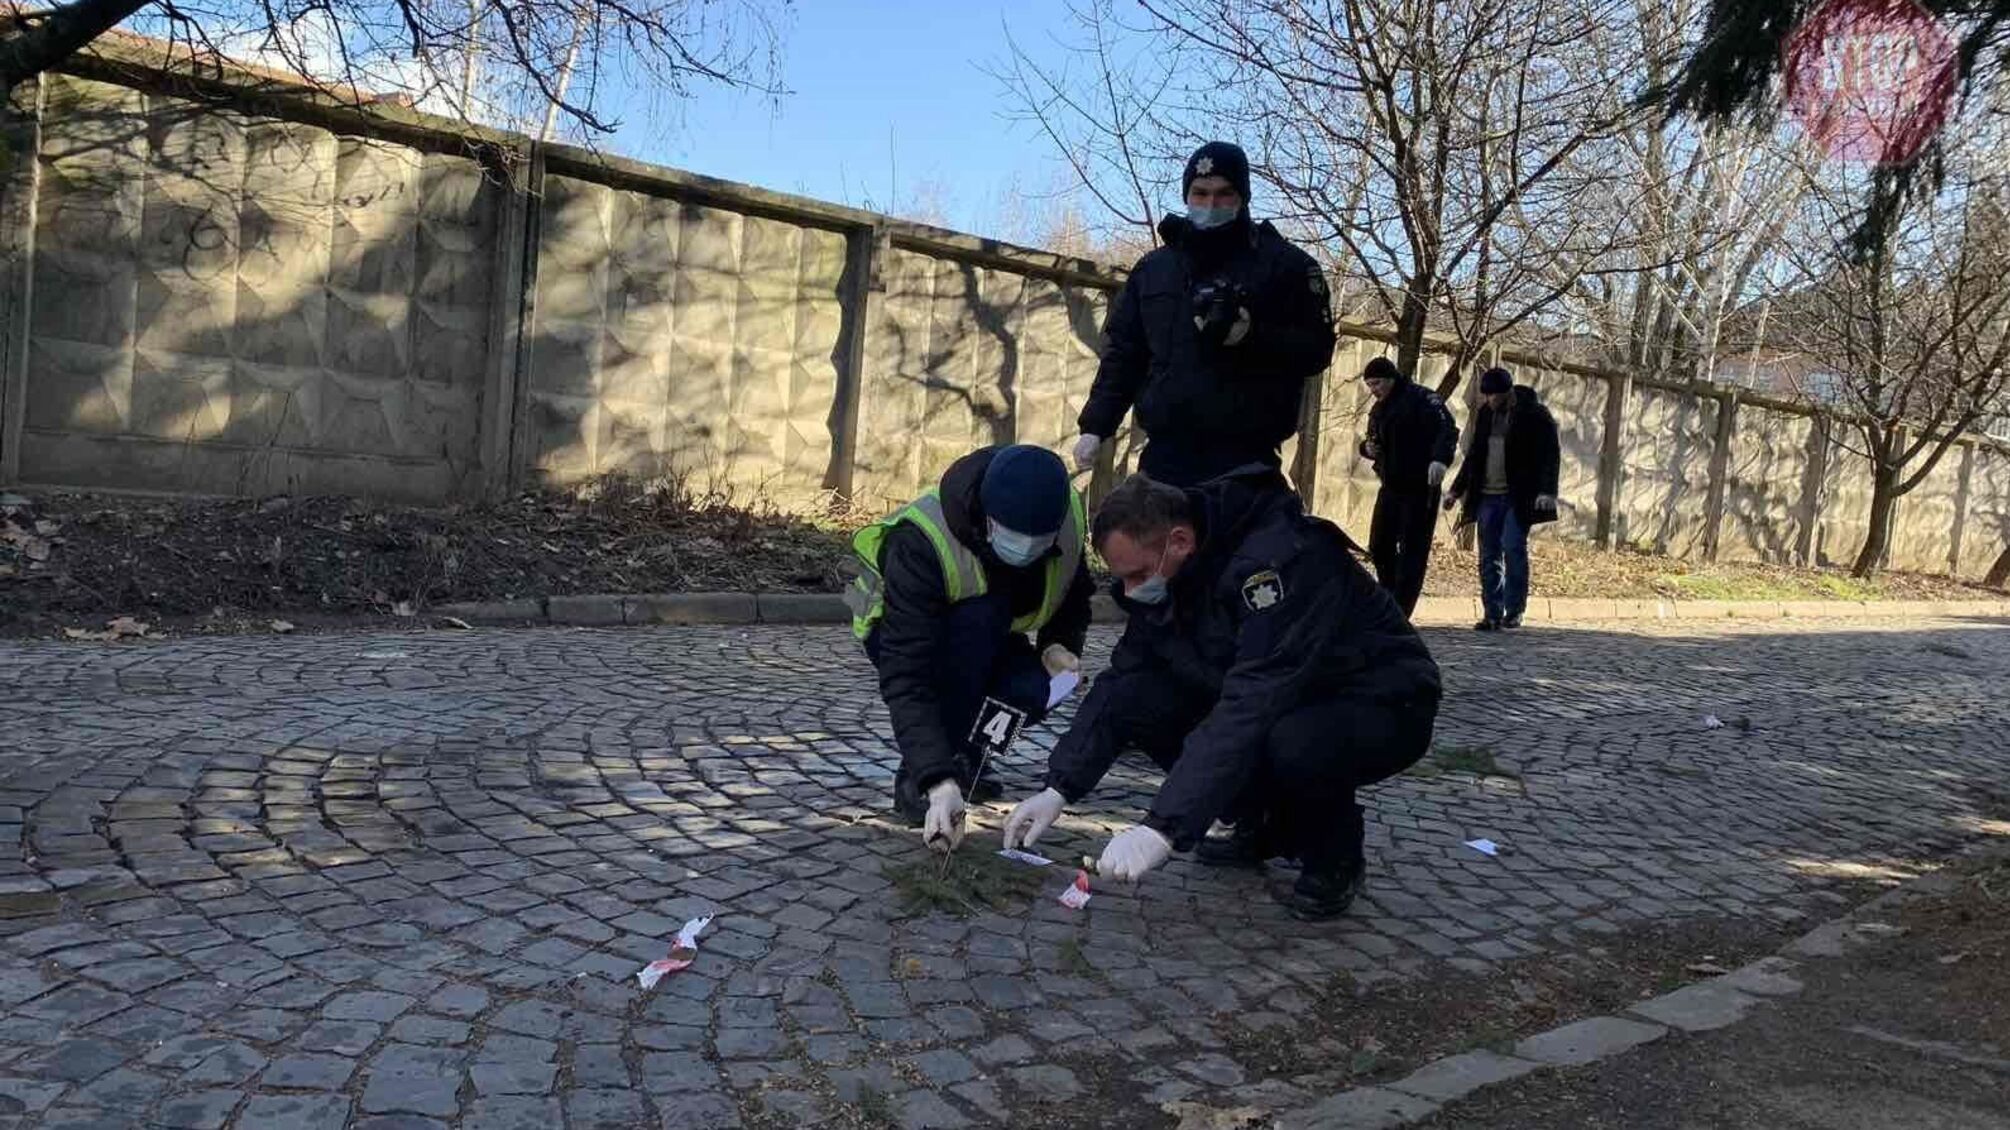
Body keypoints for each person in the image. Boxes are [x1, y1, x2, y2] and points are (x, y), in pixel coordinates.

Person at [1000, 469, 1442, 920]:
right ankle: (1262, 824)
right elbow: (1123, 679)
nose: (1130, 592)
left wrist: (1162, 827)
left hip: (1382, 699)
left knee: (1294, 743)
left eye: (1136, 575)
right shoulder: (1174, 574)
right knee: (1140, 696)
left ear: (1180, 542)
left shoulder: (1279, 565)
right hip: (1286, 695)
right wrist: (1058, 787)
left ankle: (1334, 856)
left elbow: (1251, 703)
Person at [844, 445, 1095, 850]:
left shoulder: (1063, 520)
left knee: (1035, 690)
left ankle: (973, 753)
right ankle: (924, 773)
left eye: (1039, 542)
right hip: (901, 633)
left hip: (991, 637)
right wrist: (935, 778)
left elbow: (1073, 597)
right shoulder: (923, 540)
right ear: (987, 516)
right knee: (981, 621)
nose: (1028, 550)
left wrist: (1060, 647)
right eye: (1016, 538)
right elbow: (907, 674)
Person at [1070, 141, 1337, 487]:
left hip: (1246, 465)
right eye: (1200, 193)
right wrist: (1095, 426)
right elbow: (1124, 354)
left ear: (1243, 196)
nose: (1211, 204)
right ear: (1187, 196)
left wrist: (1252, 336)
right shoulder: (1155, 270)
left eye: (1225, 193)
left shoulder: (1286, 266)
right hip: (1164, 461)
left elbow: (1316, 349)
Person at [1444, 367, 1562, 630]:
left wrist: (1547, 492)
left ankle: (1515, 609)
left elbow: (1550, 456)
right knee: (1488, 555)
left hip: (1517, 496)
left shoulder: (1534, 415)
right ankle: (1492, 613)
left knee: (1512, 547)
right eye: (1485, 396)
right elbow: (1474, 455)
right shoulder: (1486, 414)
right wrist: (1456, 490)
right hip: (1487, 495)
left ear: (1506, 393)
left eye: (1492, 396)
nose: (1488, 401)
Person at [1359, 356, 1459, 616]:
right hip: (1391, 485)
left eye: (1377, 383)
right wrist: (1367, 449)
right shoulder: (1379, 408)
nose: (1374, 390)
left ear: (1391, 378)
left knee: (1412, 550)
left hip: (1420, 487)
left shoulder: (1422, 399)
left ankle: (1402, 609)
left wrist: (1440, 459)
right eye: (1369, 385)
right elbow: (1372, 439)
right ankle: (1390, 596)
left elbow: (1447, 430)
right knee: (1379, 545)